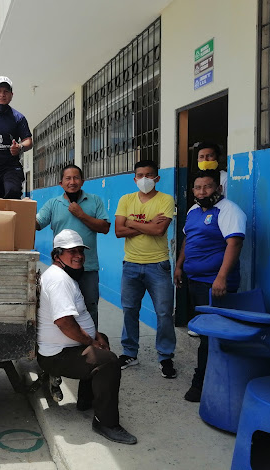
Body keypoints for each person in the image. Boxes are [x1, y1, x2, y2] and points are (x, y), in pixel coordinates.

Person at [37, 229, 137, 445]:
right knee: (108, 362)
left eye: (81, 251)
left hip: (63, 349)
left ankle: (86, 400)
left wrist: (96, 335)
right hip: (57, 355)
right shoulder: (59, 281)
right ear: (57, 255)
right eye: (71, 252)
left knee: (104, 340)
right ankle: (106, 422)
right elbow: (64, 323)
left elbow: (77, 319)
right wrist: (91, 341)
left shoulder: (64, 276)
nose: (79, 256)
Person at [173, 170, 246, 402]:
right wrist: (179, 265)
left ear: (219, 189)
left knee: (210, 336)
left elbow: (234, 244)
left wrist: (222, 277)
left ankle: (201, 384)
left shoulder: (229, 210)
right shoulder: (194, 211)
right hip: (195, 282)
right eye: (198, 187)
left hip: (215, 285)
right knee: (205, 332)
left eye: (207, 187)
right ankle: (208, 379)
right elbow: (188, 240)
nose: (202, 191)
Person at [114, 159, 177, 378]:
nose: (144, 179)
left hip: (158, 265)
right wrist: (148, 225)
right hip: (131, 264)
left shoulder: (166, 199)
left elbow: (159, 231)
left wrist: (132, 223)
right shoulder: (126, 199)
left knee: (164, 312)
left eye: (149, 175)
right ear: (134, 179)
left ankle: (166, 356)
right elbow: (118, 231)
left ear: (157, 178)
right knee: (130, 310)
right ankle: (130, 352)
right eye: (140, 175)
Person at [36, 164, 110, 327]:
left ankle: (90, 345)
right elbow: (37, 224)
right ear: (60, 183)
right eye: (68, 178)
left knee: (90, 308)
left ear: (82, 181)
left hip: (88, 267)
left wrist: (81, 215)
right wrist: (24, 211)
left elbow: (105, 228)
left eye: (76, 178)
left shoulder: (95, 201)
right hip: (62, 268)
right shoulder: (52, 204)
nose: (72, 182)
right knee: (63, 310)